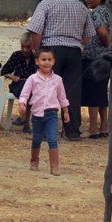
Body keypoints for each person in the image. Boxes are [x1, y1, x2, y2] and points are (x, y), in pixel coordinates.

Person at [27, 0, 95, 141]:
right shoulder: (81, 6)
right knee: (72, 92)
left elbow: (36, 31)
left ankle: (43, 131)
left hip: (51, 50)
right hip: (74, 51)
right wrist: (77, 43)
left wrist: (38, 52)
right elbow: (88, 36)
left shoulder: (45, 4)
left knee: (46, 89)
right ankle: (72, 131)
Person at [18, 47, 70, 176]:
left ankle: (54, 166)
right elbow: (25, 93)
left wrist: (66, 111)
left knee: (52, 139)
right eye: (43, 59)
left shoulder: (58, 79)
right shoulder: (32, 79)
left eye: (49, 60)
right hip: (37, 114)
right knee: (37, 139)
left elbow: (62, 97)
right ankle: (34, 160)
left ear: (53, 61)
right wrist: (22, 103)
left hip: (52, 113)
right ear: (37, 61)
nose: (46, 62)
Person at [81, 0, 112, 139]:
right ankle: (104, 126)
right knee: (100, 93)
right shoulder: (106, 11)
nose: (87, 0)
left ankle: (93, 128)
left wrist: (106, 44)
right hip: (105, 58)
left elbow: (103, 32)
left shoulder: (95, 14)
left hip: (93, 57)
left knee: (93, 93)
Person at [1, 32, 38, 132]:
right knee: (26, 86)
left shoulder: (36, 57)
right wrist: (12, 76)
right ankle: (25, 121)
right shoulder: (16, 55)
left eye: (28, 47)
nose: (25, 50)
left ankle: (24, 120)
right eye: (23, 46)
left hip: (33, 86)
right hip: (18, 84)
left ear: (33, 46)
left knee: (30, 88)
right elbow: (4, 71)